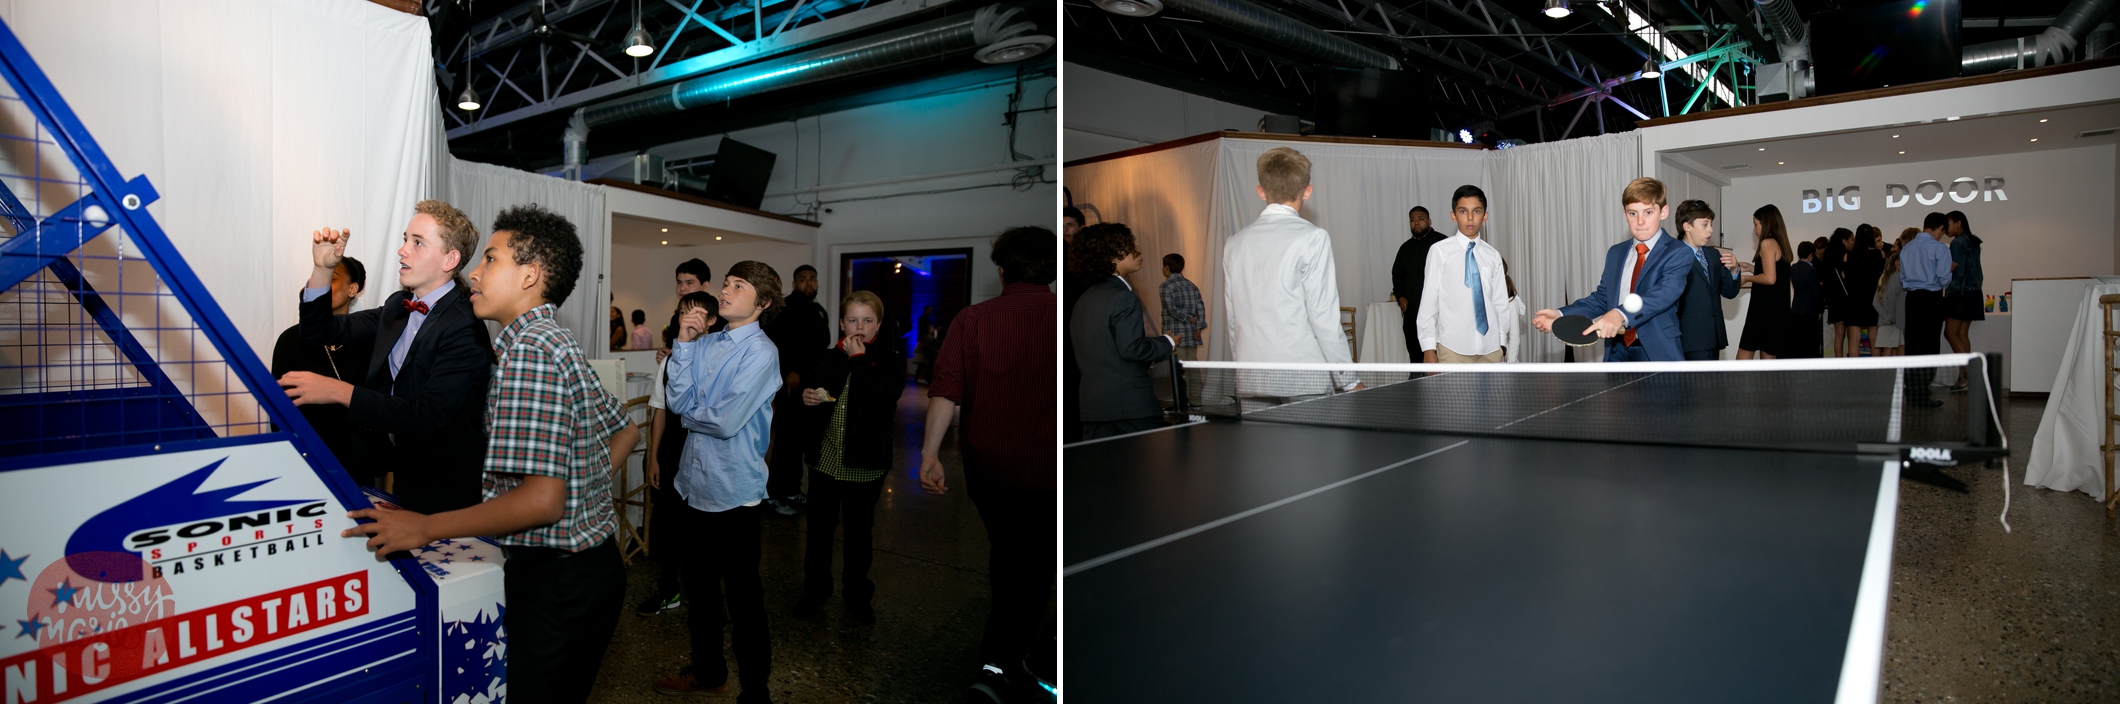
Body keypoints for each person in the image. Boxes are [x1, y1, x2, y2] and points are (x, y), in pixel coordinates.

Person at [343, 203, 636, 704]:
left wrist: (425, 527)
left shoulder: (531, 352)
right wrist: (583, 486)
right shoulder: (553, 340)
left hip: (557, 580)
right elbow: (624, 430)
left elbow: (542, 502)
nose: (474, 273)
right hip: (588, 571)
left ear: (530, 275)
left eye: (491, 260)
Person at [280, 201, 491, 514]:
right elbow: (318, 331)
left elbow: (427, 417)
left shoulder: (465, 326)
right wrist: (323, 270)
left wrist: (338, 391)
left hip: (448, 490)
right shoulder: (398, 306)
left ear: (450, 259)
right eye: (405, 239)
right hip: (404, 474)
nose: (402, 250)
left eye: (417, 242)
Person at [920, 226, 1057, 700]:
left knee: (1010, 556)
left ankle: (1001, 662)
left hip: (990, 471)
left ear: (1001, 270)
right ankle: (1007, 662)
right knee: (1035, 564)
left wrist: (929, 453)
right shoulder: (1064, 315)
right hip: (1049, 472)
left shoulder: (972, 319)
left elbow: (945, 391)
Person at [654, 261, 785, 702]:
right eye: (727, 283)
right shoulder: (705, 342)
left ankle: (756, 693)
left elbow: (725, 421)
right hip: (695, 487)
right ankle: (709, 673)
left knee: (745, 601)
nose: (726, 291)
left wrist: (694, 414)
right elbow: (678, 401)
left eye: (739, 286)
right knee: (702, 591)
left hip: (734, 494)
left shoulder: (762, 353)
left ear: (763, 302)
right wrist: (684, 342)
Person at [791, 291, 904, 623]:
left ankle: (857, 594)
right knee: (819, 531)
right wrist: (807, 398)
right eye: (853, 320)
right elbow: (812, 394)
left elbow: (884, 396)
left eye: (867, 321)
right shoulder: (827, 357)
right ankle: (815, 590)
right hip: (826, 460)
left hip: (865, 463)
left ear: (878, 325)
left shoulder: (888, 359)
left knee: (859, 533)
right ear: (842, 323)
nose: (860, 327)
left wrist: (859, 360)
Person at [1222, 147, 1358, 393]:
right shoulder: (1313, 237)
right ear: (1308, 191)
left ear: (1260, 191)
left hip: (1251, 375)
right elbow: (1324, 317)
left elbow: (1233, 320)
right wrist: (1347, 379)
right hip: (1302, 376)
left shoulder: (1234, 243)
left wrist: (1242, 368)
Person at [1534, 177, 1691, 362]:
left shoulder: (1678, 252)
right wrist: (1561, 314)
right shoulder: (1616, 252)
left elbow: (1664, 293)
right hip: (1616, 350)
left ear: (1663, 212)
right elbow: (1603, 298)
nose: (1640, 221)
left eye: (1648, 212)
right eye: (1633, 213)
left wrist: (1620, 314)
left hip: (1657, 350)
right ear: (1625, 214)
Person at [638, 291, 719, 617]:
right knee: (669, 526)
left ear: (712, 320)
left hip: (707, 453)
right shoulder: (670, 361)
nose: (690, 318)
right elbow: (659, 411)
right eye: (684, 312)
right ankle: (668, 589)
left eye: (697, 313)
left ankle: (710, 600)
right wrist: (654, 457)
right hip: (673, 450)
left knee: (706, 531)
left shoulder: (719, 359)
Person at [271, 256, 372, 478]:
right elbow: (278, 409)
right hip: (304, 463)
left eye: (332, 278)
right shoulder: (291, 340)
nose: (322, 286)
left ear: (352, 289)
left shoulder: (370, 342)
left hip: (357, 466)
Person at [1072, 223, 1175, 439]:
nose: (1137, 253)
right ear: (1111, 256)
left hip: (1094, 407)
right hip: (1130, 404)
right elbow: (1131, 349)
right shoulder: (1123, 297)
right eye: (1128, 247)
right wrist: (1168, 342)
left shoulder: (1084, 299)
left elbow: (1105, 350)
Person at [761, 264, 830, 515]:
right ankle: (774, 494)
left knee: (801, 441)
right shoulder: (783, 309)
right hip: (789, 388)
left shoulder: (819, 311)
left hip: (811, 389)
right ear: (794, 284)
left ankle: (792, 488)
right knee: (786, 443)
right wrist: (786, 371)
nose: (808, 283)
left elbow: (821, 348)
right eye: (803, 279)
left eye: (813, 279)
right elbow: (771, 345)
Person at [1416, 186, 1509, 364]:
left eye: (1477, 211)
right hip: (1452, 348)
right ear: (1453, 216)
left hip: (1490, 348)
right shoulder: (1439, 251)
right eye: (1463, 211)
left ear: (1485, 216)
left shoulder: (1493, 255)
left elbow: (1500, 303)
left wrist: (1502, 343)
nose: (1470, 217)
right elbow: (1429, 300)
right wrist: (1428, 348)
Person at [1671, 200, 1741, 361]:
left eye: (1711, 224)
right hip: (1689, 338)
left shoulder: (1713, 255)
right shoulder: (1673, 256)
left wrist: (1734, 270)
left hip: (1714, 337)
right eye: (1705, 224)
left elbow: (1729, 292)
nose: (1711, 230)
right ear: (1687, 226)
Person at [1901, 213, 1954, 407]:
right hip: (1932, 299)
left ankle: (1912, 392)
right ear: (1940, 228)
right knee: (1930, 346)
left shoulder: (1907, 248)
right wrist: (1949, 271)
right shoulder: (1940, 248)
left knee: (1913, 346)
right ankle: (1923, 393)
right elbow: (1944, 278)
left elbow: (1903, 278)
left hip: (1912, 299)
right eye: (1943, 232)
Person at [1735, 205, 1794, 360]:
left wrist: (1746, 278)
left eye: (1756, 224)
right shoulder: (1780, 243)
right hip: (1777, 311)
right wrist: (1752, 268)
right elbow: (1776, 274)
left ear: (1765, 223)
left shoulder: (1767, 243)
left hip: (1763, 309)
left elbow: (1769, 278)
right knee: (1768, 362)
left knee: (1742, 359)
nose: (1754, 229)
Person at [1391, 205, 1448, 360]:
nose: (1416, 223)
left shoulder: (1443, 243)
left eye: (1420, 219)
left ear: (1429, 221)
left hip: (1439, 312)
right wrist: (1400, 296)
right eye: (1412, 220)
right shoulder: (1405, 248)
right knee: (1415, 355)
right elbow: (1397, 275)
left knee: (1440, 356)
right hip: (1412, 313)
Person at [1944, 210, 1985, 392]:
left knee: (1950, 333)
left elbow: (1958, 271)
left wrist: (1945, 271)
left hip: (1959, 293)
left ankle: (1969, 375)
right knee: (1961, 334)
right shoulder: (1973, 241)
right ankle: (1963, 376)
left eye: (1948, 224)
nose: (1945, 228)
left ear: (1958, 223)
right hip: (1974, 293)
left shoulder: (1957, 243)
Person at [1158, 252, 1205, 406]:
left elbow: (1171, 309)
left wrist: (1188, 318)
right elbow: (1200, 307)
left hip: (1175, 334)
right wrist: (1198, 326)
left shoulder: (1165, 286)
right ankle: (1196, 401)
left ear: (1166, 267)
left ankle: (1182, 401)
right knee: (1193, 368)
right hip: (1191, 334)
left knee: (1179, 369)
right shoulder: (1192, 285)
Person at [1063, 206, 1089, 443]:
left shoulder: (1089, 258)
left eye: (1069, 225)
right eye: (1062, 226)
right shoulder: (1059, 257)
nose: (1065, 230)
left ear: (1081, 227)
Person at [1841, 225, 1885, 357]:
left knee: (1854, 338)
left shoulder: (1848, 256)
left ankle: (1855, 368)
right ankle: (1876, 367)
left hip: (1854, 299)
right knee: (1874, 338)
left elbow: (1846, 279)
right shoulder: (1880, 254)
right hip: (1873, 299)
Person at [661, 258, 714, 361]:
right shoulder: (675, 318)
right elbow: (672, 351)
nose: (682, 288)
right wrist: (666, 358)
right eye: (679, 282)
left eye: (689, 283)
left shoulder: (717, 318)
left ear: (705, 286)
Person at [1872, 229, 1915, 357]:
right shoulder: (1899, 277)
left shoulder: (1883, 278)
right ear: (1898, 262)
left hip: (1887, 320)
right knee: (1900, 349)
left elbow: (1876, 302)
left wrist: (1886, 316)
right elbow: (1892, 297)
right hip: (1896, 321)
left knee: (1889, 350)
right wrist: (1891, 316)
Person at [1785, 241, 1824, 358]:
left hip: (1796, 307)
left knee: (1797, 341)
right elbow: (1816, 293)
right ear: (1811, 255)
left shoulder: (1793, 268)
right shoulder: (1812, 271)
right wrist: (1820, 310)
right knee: (1811, 342)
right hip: (1809, 310)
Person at [1821, 229, 1850, 357]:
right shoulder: (1845, 255)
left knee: (1838, 334)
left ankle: (1839, 362)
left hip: (1833, 299)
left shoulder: (1828, 256)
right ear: (1844, 241)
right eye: (1852, 239)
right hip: (1844, 298)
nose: (1853, 242)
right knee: (1850, 334)